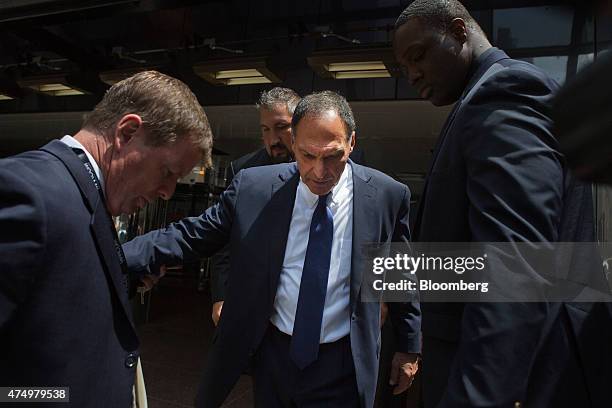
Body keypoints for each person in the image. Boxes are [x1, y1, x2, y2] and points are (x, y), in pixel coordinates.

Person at [123, 91, 420, 408]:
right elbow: (194, 235)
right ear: (294, 143)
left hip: (343, 362)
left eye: (332, 156)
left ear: (351, 143)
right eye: (307, 155)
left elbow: (399, 271)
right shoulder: (254, 187)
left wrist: (408, 346)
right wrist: (118, 256)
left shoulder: (386, 195)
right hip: (274, 355)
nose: (320, 172)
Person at [393, 1, 611, 407]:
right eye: (404, 67)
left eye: (417, 55)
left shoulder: (503, 91)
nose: (412, 74)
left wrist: (479, 395)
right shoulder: (479, 99)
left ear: (459, 31)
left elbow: (516, 262)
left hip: (527, 374)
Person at [0, 71, 212, 407]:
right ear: (127, 133)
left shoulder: (84, 197)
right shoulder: (26, 191)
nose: (168, 192)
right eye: (167, 172)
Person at [210, 87, 300, 326]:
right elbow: (225, 240)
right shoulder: (244, 171)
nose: (273, 140)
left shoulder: (337, 169)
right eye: (265, 130)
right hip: (254, 304)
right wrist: (221, 295)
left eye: (281, 127)